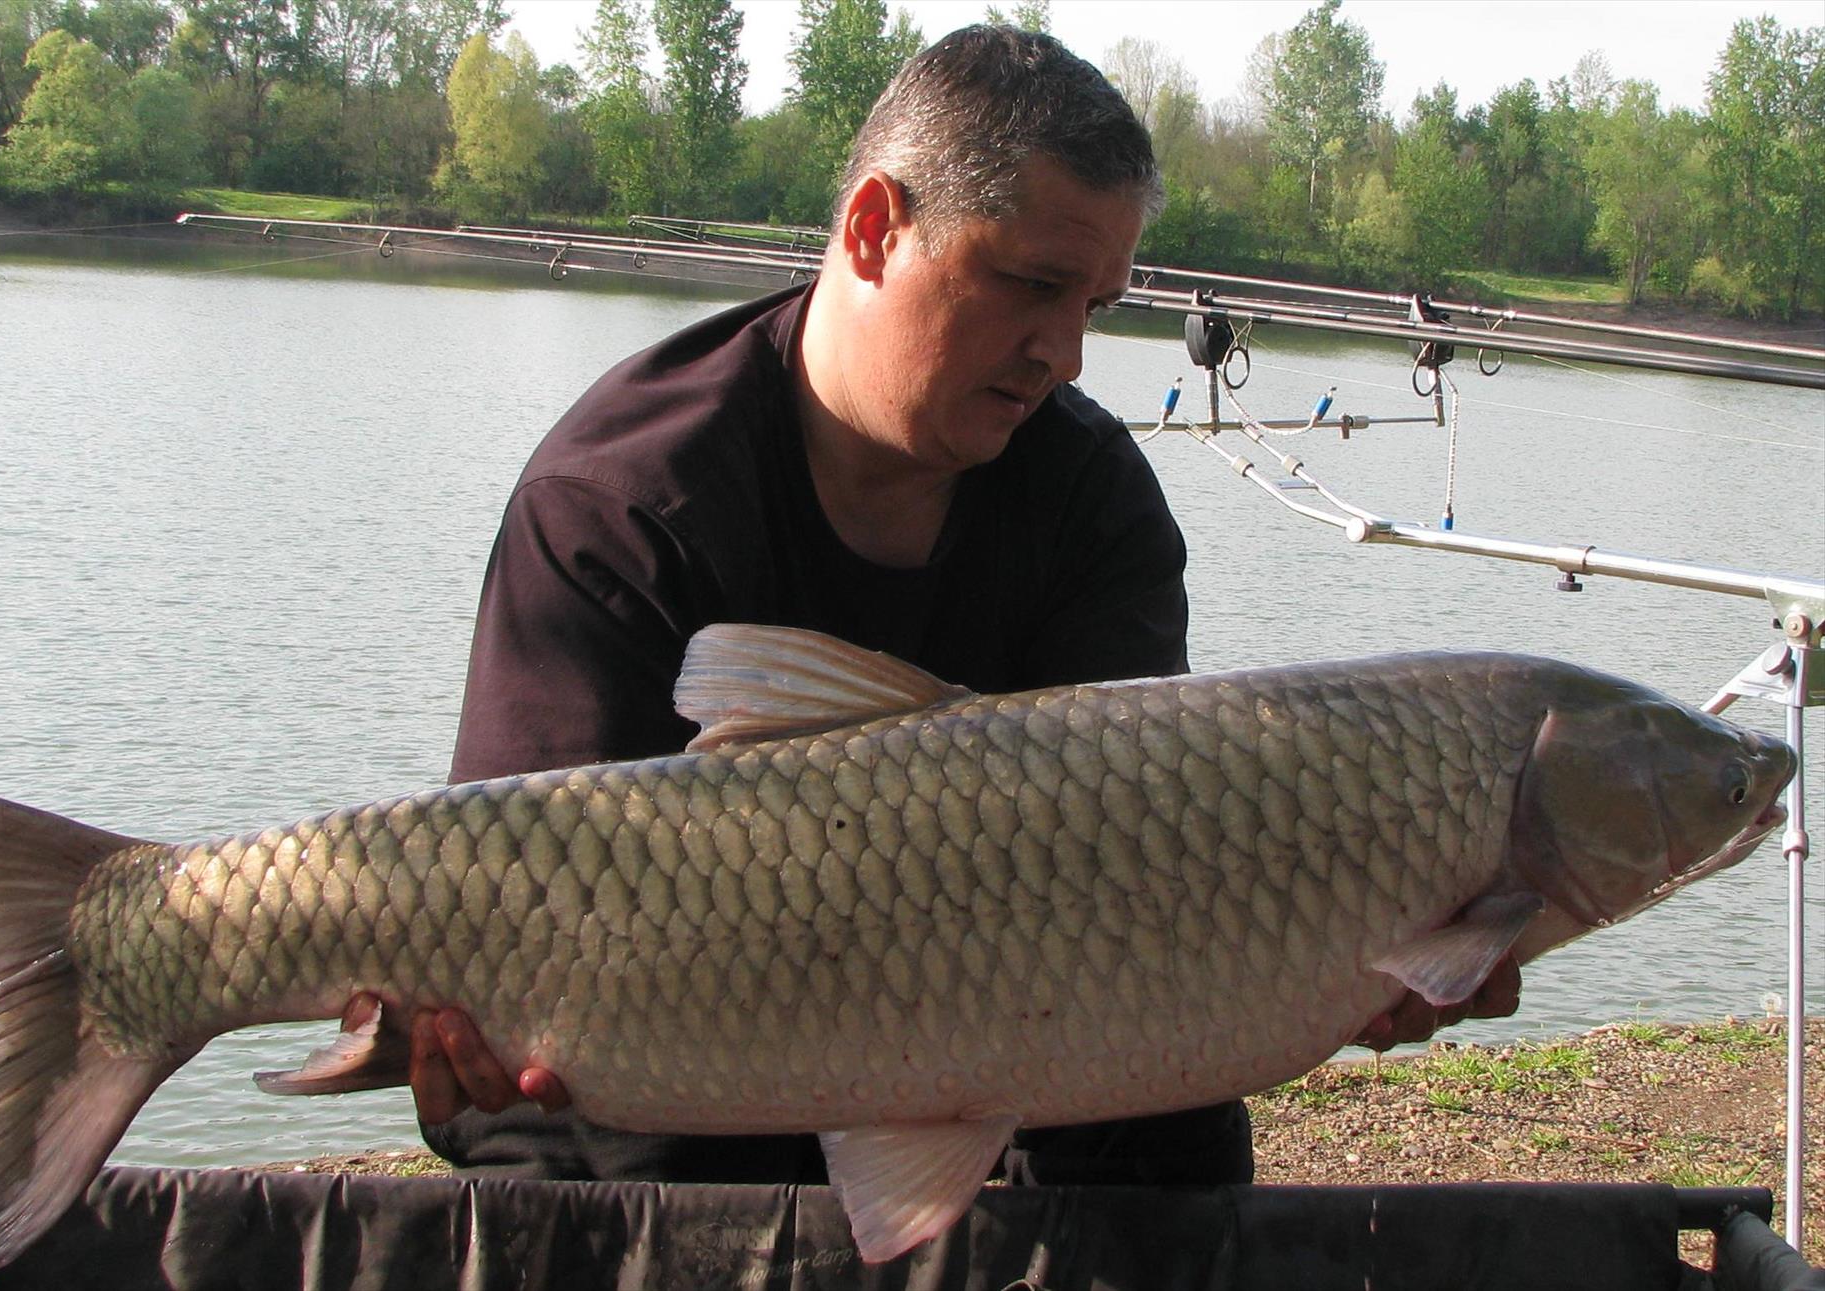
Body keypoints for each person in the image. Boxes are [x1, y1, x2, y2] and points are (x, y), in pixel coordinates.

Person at [380, 23, 1520, 1192]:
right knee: (541, 1120)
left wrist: (1333, 962)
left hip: (1014, 1021)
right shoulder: (620, 502)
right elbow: (516, 906)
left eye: (1096, 304)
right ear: (876, 230)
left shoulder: (1092, 498)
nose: (1065, 355)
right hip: (683, 1042)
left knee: (1169, 1124)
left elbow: (1145, 869)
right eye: (1032, 285)